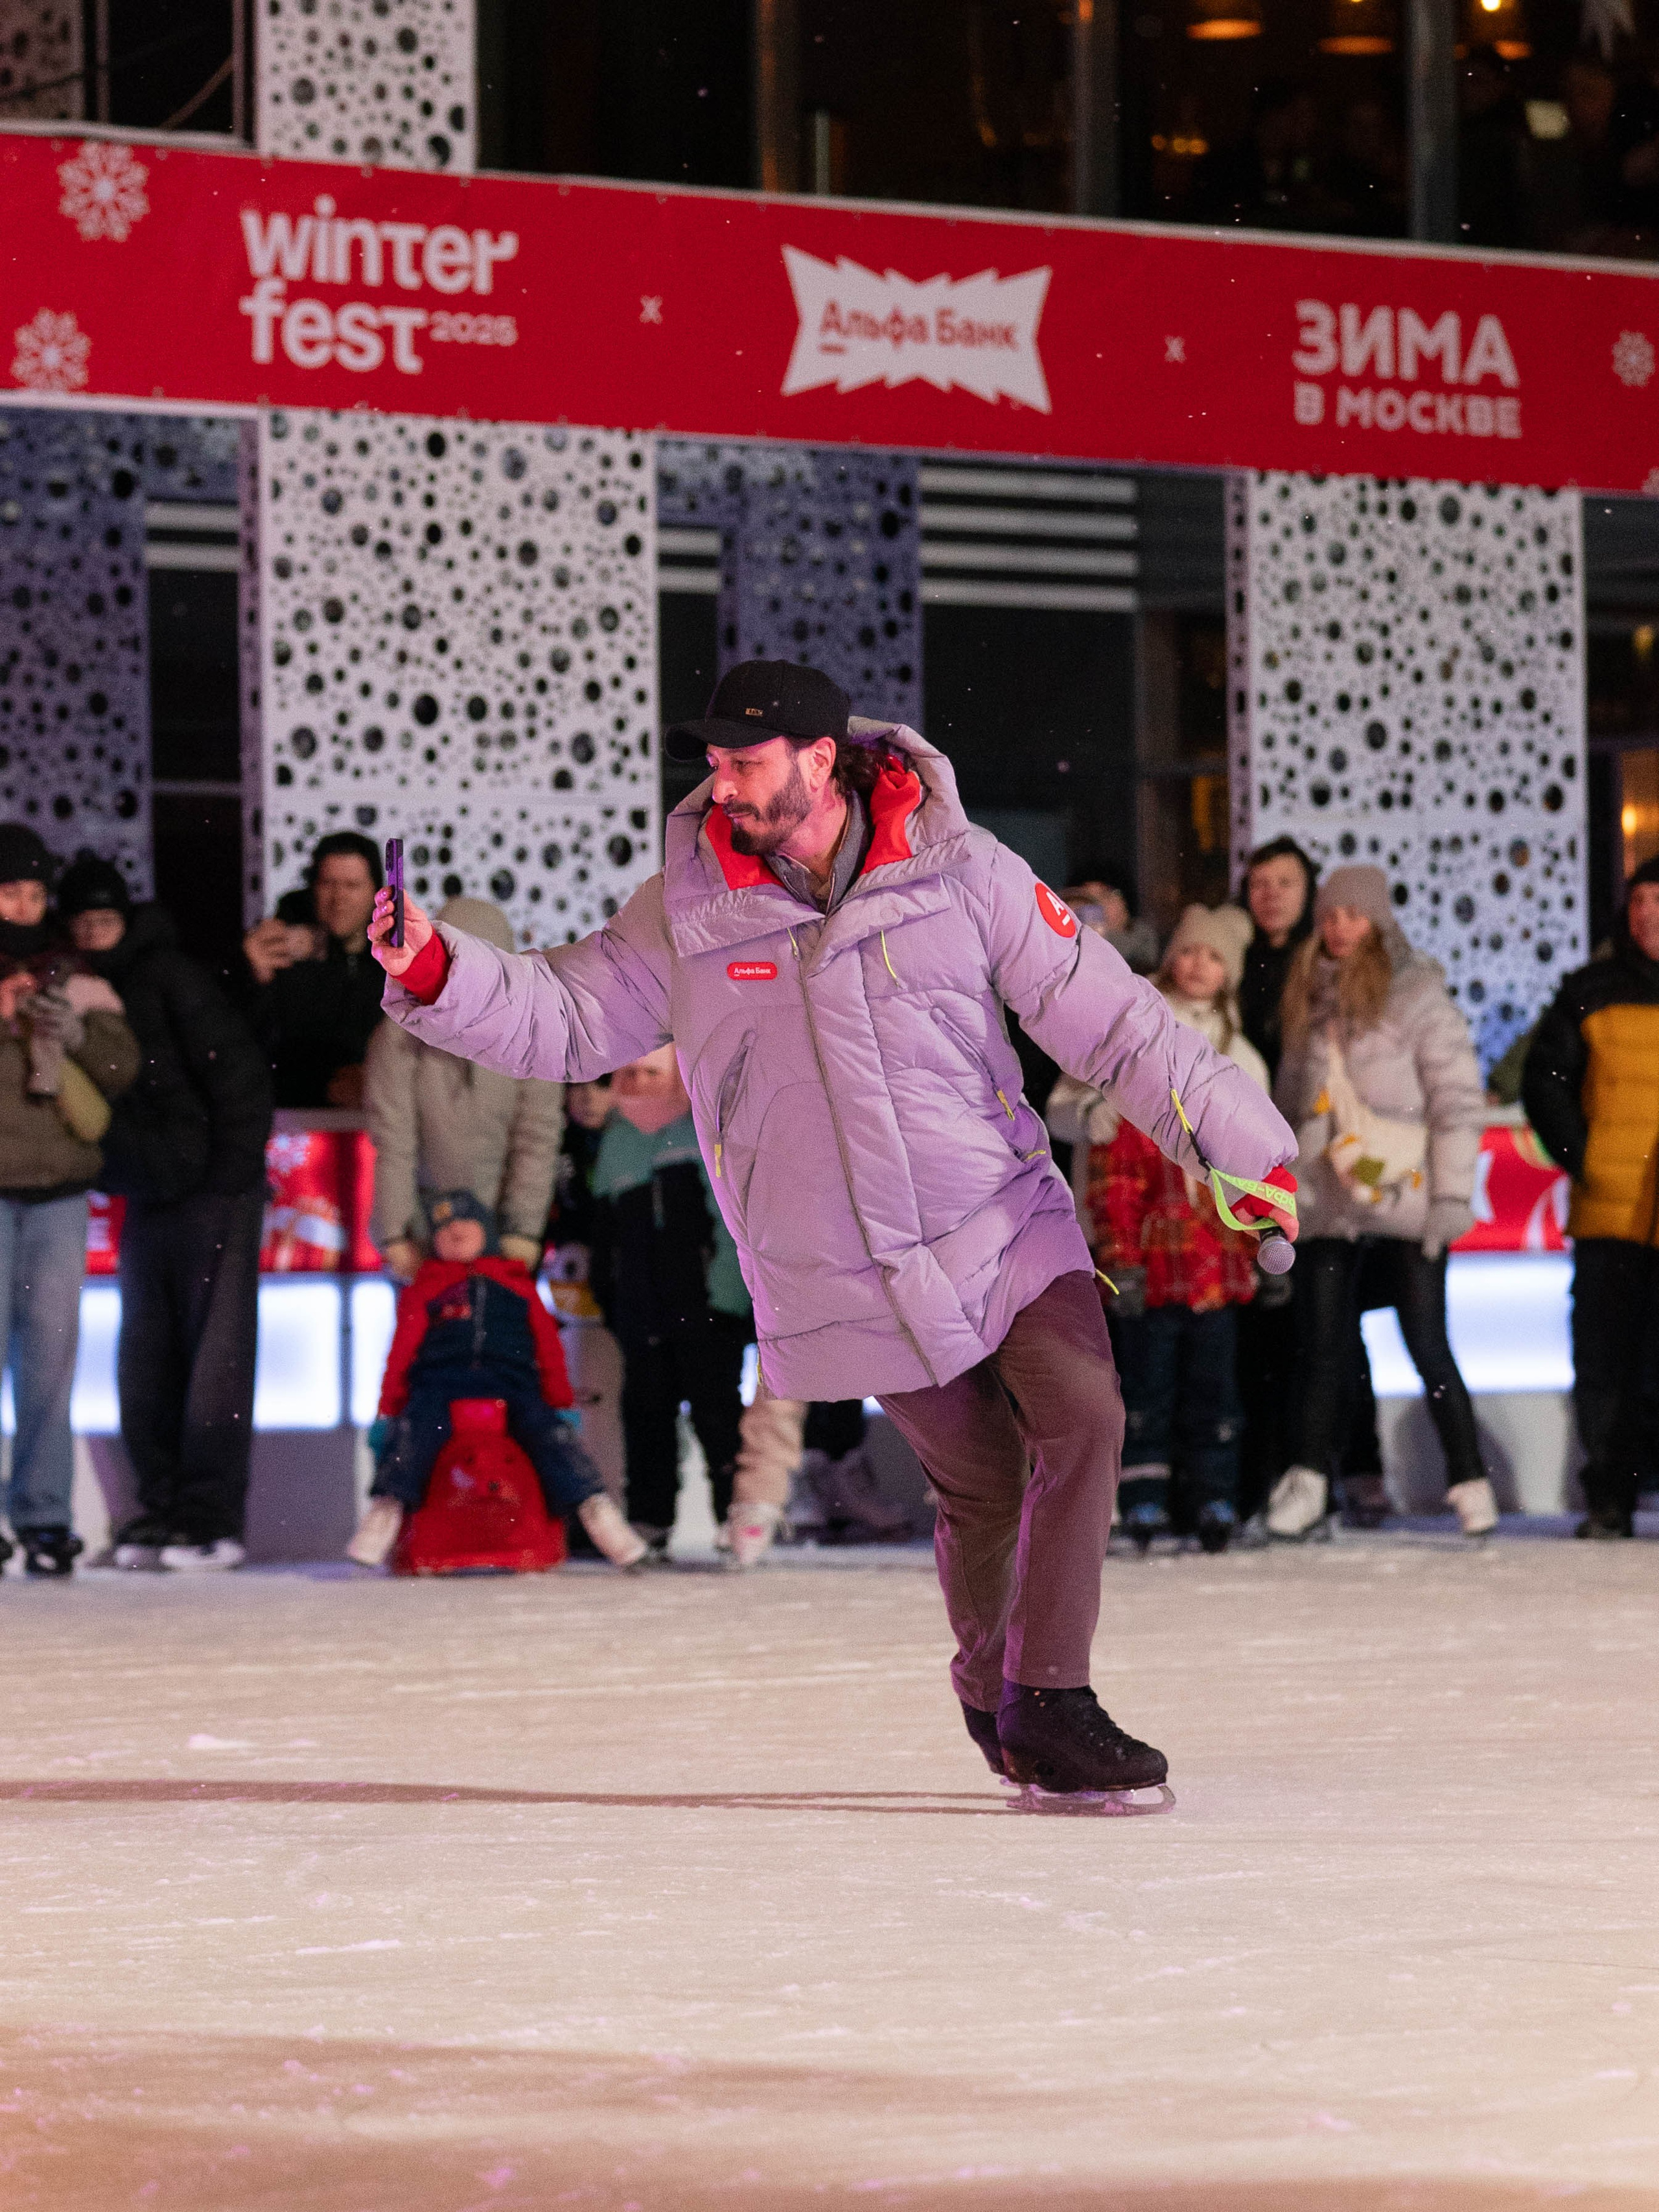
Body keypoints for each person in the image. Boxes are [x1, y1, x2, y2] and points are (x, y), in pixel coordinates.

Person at [371, 659, 1297, 1802]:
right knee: (983, 1480)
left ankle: (1049, 1694)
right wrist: (431, 966)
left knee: (1088, 1413)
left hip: (998, 1220)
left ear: (821, 758)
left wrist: (1245, 1148)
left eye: (744, 763)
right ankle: (994, 1684)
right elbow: (563, 1015)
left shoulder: (962, 869)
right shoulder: (691, 910)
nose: (721, 787)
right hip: (838, 1261)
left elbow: (1113, 1020)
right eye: (710, 765)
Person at [56, 853, 273, 1572]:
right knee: (145, 1358)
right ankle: (156, 1509)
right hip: (148, 1190)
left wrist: (230, 1176)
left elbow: (237, 1073)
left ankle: (211, 1518)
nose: (95, 933)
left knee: (217, 1361)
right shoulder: (79, 992)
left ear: (126, 918)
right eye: (84, 922)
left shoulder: (169, 974)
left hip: (213, 1190)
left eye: (106, 920)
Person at [1267, 865, 1494, 1541]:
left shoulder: (1418, 993)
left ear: (1378, 921)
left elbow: (1455, 1097)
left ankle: (1469, 1478)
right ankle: (1307, 1480)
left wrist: (1452, 1193)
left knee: (1426, 1340)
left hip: (1403, 1192)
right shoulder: (1307, 992)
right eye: (1330, 914)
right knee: (1323, 1346)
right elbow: (1287, 1095)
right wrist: (1279, 1181)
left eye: (1353, 915)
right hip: (1328, 1193)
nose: (1339, 926)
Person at [1047, 903, 1267, 1555]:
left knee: (1210, 1381)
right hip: (1138, 1231)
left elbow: (1258, 1155)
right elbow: (1065, 1106)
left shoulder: (1237, 1052)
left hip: (1209, 1245)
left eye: (1214, 956)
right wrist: (1092, 1116)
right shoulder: (1128, 1026)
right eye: (1189, 951)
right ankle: (1140, 1492)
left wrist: (1262, 1237)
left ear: (1229, 974)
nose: (1197, 964)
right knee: (1142, 1376)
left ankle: (1210, 1493)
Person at [347, 1191, 644, 1570]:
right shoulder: (426, 1287)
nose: (454, 1231)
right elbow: (401, 1353)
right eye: (444, 1227)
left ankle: (596, 1508)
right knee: (414, 1431)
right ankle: (386, 1508)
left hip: (512, 1381)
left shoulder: (516, 1284)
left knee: (549, 1436)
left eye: (464, 1222)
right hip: (439, 1382)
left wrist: (561, 1403)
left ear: (485, 1231)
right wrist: (388, 1410)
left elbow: (548, 1346)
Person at [0, 825, 140, 1577]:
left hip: (59, 1192)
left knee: (51, 1364)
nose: (22, 906)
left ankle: (46, 1515)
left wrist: (74, 1025)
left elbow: (123, 1064)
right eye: (9, 891)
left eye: (31, 892)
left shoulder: (73, 974)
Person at [1522, 856, 1659, 1539]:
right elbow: (1542, 1080)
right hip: (1611, 1208)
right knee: (1606, 1360)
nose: (1648, 914)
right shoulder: (1588, 989)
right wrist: (1585, 1157)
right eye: (1639, 900)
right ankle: (1608, 1495)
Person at [586, 1044, 752, 1561]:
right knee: (646, 1414)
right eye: (629, 1074)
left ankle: (736, 1514)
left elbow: (732, 1226)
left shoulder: (705, 1133)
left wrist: (727, 1298)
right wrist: (613, 1304)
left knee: (718, 1415)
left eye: (653, 1073)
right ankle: (650, 1518)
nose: (638, 1085)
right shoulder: (614, 1143)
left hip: (705, 1307)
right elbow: (604, 1236)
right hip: (642, 1312)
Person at [364, 897, 563, 1283]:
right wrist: (397, 1234)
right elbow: (394, 1139)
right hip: (424, 1234)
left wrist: (521, 1230)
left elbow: (536, 1137)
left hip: (500, 1235)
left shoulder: (532, 1030)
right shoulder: (400, 1031)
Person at [243, 831, 385, 1108]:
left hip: (375, 1124)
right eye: (329, 884)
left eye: (352, 886)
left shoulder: (396, 964)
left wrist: (374, 1083)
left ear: (375, 893)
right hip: (297, 1122)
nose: (339, 898)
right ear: (314, 889)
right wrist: (257, 980)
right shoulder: (280, 954)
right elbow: (254, 1052)